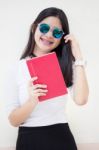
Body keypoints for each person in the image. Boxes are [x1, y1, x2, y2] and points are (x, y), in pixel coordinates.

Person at [6, 7, 89, 150]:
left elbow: (81, 100)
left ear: (62, 38)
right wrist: (32, 101)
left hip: (62, 137)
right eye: (44, 28)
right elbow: (13, 121)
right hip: (29, 139)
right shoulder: (16, 68)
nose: (49, 35)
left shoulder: (66, 65)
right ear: (34, 28)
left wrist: (78, 57)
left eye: (57, 32)